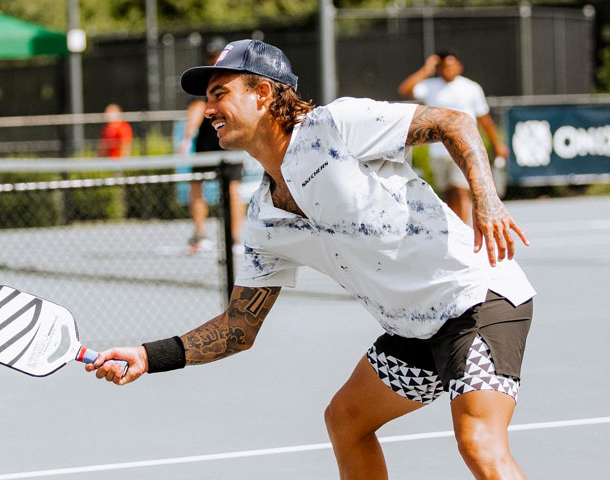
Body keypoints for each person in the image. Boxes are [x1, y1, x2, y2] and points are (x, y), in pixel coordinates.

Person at [87, 39, 536, 480]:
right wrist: (150, 356)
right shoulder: (263, 218)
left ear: (262, 93)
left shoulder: (334, 126)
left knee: (478, 441)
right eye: (208, 99)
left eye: (220, 94)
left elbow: (454, 121)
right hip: (415, 330)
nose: (209, 110)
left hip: (477, 298)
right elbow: (238, 329)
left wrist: (486, 201)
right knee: (346, 421)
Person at [398, 51, 509, 224]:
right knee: (449, 193)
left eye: (451, 65)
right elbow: (405, 89)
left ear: (459, 66)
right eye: (443, 66)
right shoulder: (430, 86)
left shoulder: (471, 88)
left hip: (464, 146)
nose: (448, 70)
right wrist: (426, 70)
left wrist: (497, 144)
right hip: (439, 150)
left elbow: (484, 118)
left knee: (461, 190)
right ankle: (455, 228)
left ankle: (464, 231)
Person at [179, 37, 245, 254]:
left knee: (233, 189)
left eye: (216, 55)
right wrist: (188, 137)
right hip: (205, 145)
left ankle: (235, 239)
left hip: (228, 142)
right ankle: (200, 234)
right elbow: (197, 108)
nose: (213, 58)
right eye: (210, 55)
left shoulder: (235, 80)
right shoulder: (204, 82)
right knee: (196, 186)